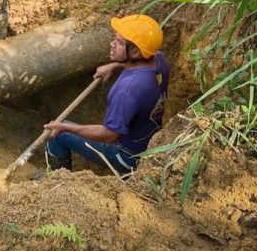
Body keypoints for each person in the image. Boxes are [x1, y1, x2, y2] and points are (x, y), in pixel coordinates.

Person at [43, 14, 169, 175]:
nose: (112, 44)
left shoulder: (127, 90)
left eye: (119, 42)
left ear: (136, 52)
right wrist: (114, 65)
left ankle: (55, 179)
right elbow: (141, 63)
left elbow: (110, 135)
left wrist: (67, 128)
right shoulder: (160, 61)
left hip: (127, 158)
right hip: (148, 143)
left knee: (58, 135)